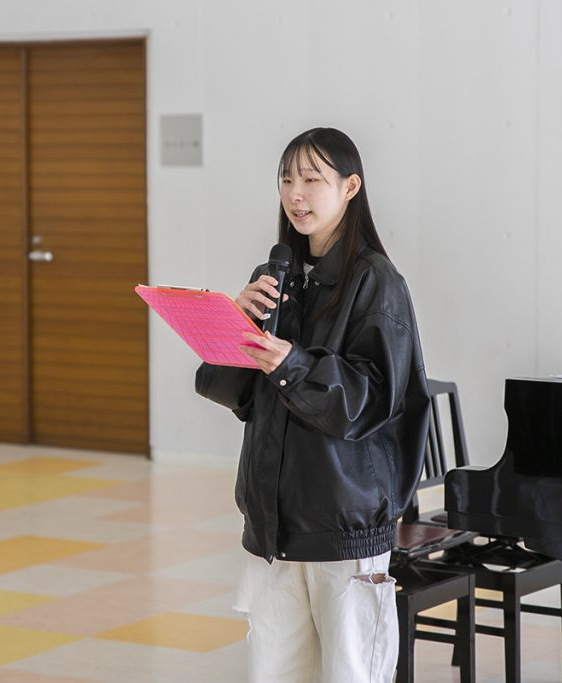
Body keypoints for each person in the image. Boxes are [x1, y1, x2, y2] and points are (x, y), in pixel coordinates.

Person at [195, 127, 430, 683]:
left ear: (350, 187)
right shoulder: (275, 279)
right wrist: (236, 323)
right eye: (285, 180)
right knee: (274, 673)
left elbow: (370, 402)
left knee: (350, 673)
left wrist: (291, 364)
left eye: (311, 179)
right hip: (275, 527)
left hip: (345, 525)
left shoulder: (377, 282)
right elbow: (231, 391)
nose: (295, 194)